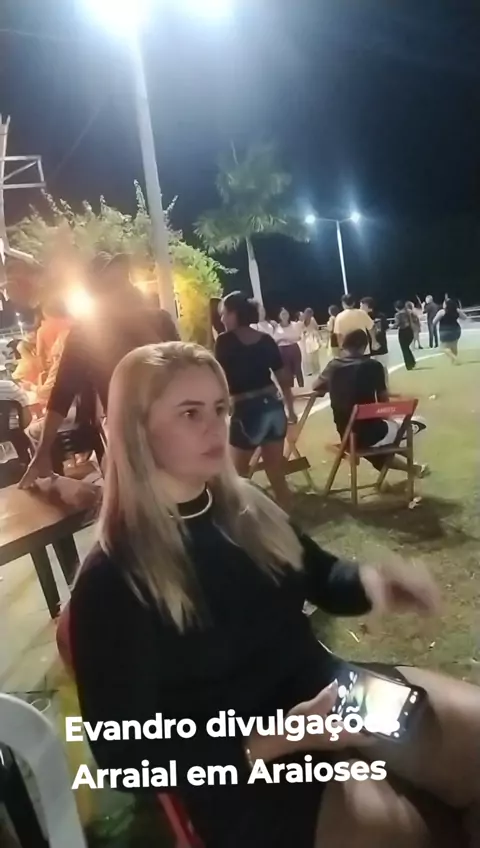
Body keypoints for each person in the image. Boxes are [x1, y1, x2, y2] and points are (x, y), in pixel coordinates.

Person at [68, 340, 480, 848]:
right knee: (397, 833)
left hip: (331, 692)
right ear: (136, 431)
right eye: (190, 413)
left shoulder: (248, 508)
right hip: (240, 762)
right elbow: (122, 758)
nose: (216, 426)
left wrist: (378, 584)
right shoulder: (112, 578)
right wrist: (279, 737)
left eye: (220, 408)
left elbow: (323, 578)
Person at [19, 253, 179, 488]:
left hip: (176, 432)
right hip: (129, 441)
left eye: (125, 278)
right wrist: (42, 452)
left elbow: (182, 372)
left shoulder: (160, 320)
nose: (126, 286)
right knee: (140, 502)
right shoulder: (86, 334)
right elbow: (62, 393)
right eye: (114, 281)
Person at [215, 292, 296, 511]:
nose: (222, 319)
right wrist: (290, 411)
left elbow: (218, 378)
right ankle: (287, 518)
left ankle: (240, 521)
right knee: (276, 473)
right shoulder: (266, 340)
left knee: (237, 476)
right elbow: (284, 379)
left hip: (247, 412)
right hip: (274, 409)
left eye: (224, 313)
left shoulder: (224, 341)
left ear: (235, 314)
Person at [313, 330, 427, 477]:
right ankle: (408, 457)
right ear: (364, 346)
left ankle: (413, 467)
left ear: (344, 345)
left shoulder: (333, 366)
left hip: (348, 436)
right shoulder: (374, 366)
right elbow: (383, 401)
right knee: (419, 422)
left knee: (376, 448)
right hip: (374, 434)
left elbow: (316, 386)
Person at [35, 298, 72, 379]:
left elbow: (40, 354)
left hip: (54, 366)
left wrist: (45, 370)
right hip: (75, 362)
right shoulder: (71, 324)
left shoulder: (42, 330)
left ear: (45, 312)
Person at [360, 297, 389, 385]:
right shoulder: (381, 315)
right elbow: (386, 328)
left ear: (366, 305)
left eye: (361, 305)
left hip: (368, 349)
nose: (360, 308)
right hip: (382, 346)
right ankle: (385, 387)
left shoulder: (363, 317)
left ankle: (374, 388)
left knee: (370, 371)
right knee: (383, 368)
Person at [273, 308, 304, 387]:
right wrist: (283, 339)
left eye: (286, 313)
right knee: (288, 372)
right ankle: (291, 389)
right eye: (283, 314)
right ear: (279, 316)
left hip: (294, 348)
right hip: (283, 350)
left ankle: (302, 387)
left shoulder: (294, 325)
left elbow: (298, 337)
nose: (285, 316)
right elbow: (275, 340)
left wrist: (285, 338)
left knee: (298, 370)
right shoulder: (276, 327)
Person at [433, 298, 467, 364]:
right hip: (456, 330)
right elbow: (465, 317)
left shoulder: (442, 312)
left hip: (445, 330)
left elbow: (434, 322)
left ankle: (455, 359)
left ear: (446, 304)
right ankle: (453, 362)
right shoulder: (457, 310)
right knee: (454, 346)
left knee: (443, 348)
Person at [394, 300, 416, 371]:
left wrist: (391, 326)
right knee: (406, 348)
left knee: (404, 349)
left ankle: (409, 364)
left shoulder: (398, 315)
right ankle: (412, 361)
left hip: (403, 332)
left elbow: (397, 324)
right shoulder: (408, 312)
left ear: (397, 308)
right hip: (409, 330)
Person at [300, 308, 322, 376]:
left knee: (314, 355)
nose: (309, 316)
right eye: (307, 314)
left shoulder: (312, 320)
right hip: (304, 340)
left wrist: (319, 338)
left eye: (310, 314)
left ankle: (316, 369)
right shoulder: (301, 321)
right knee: (305, 356)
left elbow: (316, 328)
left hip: (312, 339)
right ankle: (308, 371)